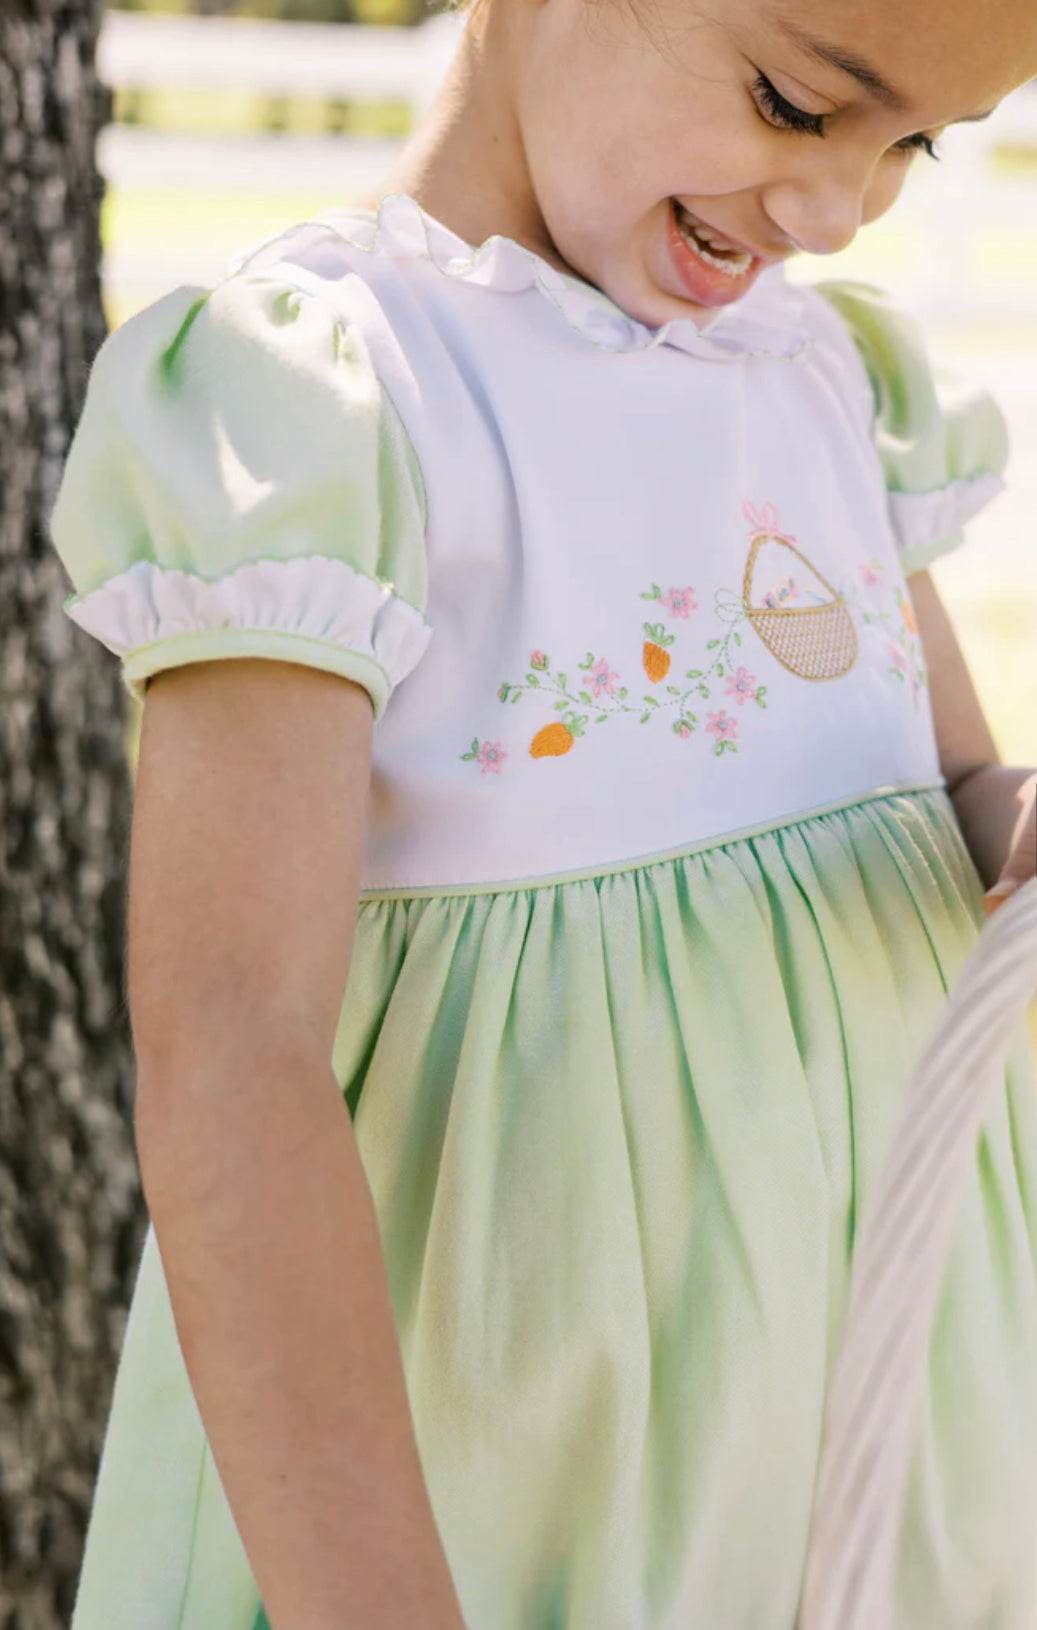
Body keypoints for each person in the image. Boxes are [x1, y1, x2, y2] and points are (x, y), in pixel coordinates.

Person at [47, 0, 1037, 1625]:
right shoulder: (336, 403)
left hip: (879, 1448)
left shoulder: (821, 383)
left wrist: (1011, 820)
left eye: (910, 144)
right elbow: (234, 1051)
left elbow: (948, 800)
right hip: (516, 1497)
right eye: (795, 104)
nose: (839, 210)